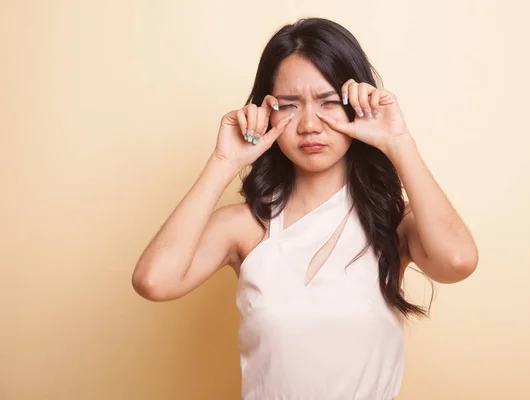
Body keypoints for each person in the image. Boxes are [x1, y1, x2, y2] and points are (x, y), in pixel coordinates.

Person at [132, 17, 479, 400]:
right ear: (266, 111)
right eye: (289, 106)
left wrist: (398, 142)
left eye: (329, 102)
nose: (310, 124)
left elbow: (458, 260)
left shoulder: (395, 223)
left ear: (357, 107)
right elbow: (154, 281)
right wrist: (223, 160)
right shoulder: (246, 227)